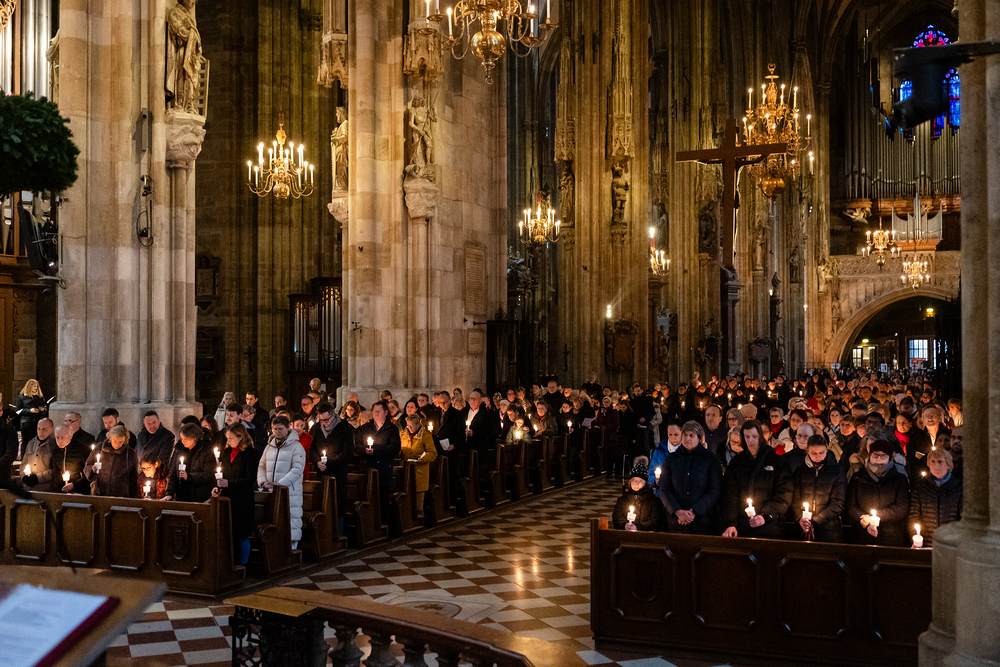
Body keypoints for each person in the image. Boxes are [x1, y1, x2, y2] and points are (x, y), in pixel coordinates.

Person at [721, 420, 793, 538]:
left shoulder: (776, 462)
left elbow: (784, 493)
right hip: (742, 525)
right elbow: (729, 495)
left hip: (770, 525)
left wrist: (766, 515)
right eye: (747, 437)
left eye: (754, 436)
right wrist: (730, 523)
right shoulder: (736, 463)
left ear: (760, 436)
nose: (751, 440)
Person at [658, 422, 722, 534]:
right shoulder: (671, 459)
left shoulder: (710, 459)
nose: (687, 438)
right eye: (685, 435)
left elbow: (714, 490)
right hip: (675, 522)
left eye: (691, 435)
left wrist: (694, 512)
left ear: (699, 438)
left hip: (702, 521)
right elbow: (664, 489)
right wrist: (677, 511)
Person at [844, 439, 910, 547]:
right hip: (862, 535)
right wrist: (863, 519)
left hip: (891, 536)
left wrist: (875, 517)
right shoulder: (858, 477)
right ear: (869, 456)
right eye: (875, 455)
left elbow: (902, 507)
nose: (878, 459)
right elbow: (850, 505)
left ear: (889, 457)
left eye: (883, 456)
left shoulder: (899, 479)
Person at [256, 415, 305, 548]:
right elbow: (262, 465)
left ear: (288, 428)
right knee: (274, 521)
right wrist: (263, 482)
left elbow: (297, 469)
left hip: (289, 491)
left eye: (280, 429)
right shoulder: (269, 446)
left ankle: (292, 550)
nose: (277, 432)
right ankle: (275, 551)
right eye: (274, 429)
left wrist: (280, 483)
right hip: (271, 491)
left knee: (290, 521)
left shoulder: (296, 446)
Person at [213, 423, 257, 565]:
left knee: (241, 535)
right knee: (228, 534)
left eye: (231, 438)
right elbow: (223, 473)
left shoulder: (250, 453)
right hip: (228, 499)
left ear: (240, 437)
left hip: (243, 500)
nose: (229, 441)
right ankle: (230, 565)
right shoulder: (227, 453)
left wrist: (229, 483)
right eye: (227, 438)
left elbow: (250, 479)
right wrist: (217, 487)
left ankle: (242, 566)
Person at [791, 434, 847, 542]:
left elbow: (838, 502)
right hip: (803, 527)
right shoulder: (800, 471)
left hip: (829, 529)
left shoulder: (837, 471)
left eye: (821, 453)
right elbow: (795, 499)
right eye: (814, 453)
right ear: (807, 451)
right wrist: (800, 518)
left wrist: (815, 521)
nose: (818, 456)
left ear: (827, 450)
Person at [310, 402, 355, 533]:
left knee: (337, 506)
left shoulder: (345, 428)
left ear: (333, 415)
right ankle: (323, 535)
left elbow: (347, 452)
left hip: (338, 474)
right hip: (321, 473)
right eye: (321, 420)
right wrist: (317, 462)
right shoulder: (316, 428)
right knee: (322, 505)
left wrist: (329, 463)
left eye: (327, 419)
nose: (324, 423)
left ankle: (338, 535)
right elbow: (312, 449)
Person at [354, 401, 402, 517]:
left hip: (383, 469)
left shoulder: (392, 429)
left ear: (385, 412)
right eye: (374, 411)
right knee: (367, 498)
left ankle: (383, 523)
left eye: (379, 412)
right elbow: (357, 446)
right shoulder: (365, 428)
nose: (376, 414)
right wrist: (364, 450)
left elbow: (395, 447)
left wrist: (376, 450)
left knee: (382, 499)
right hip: (367, 467)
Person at [908, 448, 961, 547]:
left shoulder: (958, 486)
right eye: (932, 462)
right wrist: (916, 538)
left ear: (948, 464)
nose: (936, 466)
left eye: (940, 462)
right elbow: (914, 515)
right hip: (927, 542)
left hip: (950, 544)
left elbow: (961, 517)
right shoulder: (920, 486)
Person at [163, 424, 215, 503]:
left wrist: (189, 476)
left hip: (199, 496)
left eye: (185, 439)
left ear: (194, 438)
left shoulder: (205, 450)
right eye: (181, 438)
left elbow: (208, 474)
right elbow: (173, 473)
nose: (182, 441)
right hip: (182, 495)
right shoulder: (179, 449)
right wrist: (170, 493)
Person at [84, 424, 139, 498]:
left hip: (120, 495)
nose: (117, 444)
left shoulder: (130, 454)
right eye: (115, 441)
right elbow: (87, 465)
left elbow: (133, 478)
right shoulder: (99, 448)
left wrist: (133, 498)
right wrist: (92, 469)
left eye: (120, 442)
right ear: (110, 438)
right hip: (99, 493)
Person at [612, 456, 666, 531]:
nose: (636, 483)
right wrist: (625, 525)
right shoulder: (622, 500)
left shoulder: (654, 501)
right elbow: (617, 518)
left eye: (640, 480)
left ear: (645, 483)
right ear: (629, 482)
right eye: (633, 480)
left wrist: (638, 527)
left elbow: (656, 521)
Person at [400, 413, 437, 516]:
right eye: (408, 425)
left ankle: (419, 517)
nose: (409, 428)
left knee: (418, 501)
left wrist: (421, 459)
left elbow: (433, 453)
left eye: (412, 425)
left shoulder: (425, 435)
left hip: (419, 471)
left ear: (418, 425)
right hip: (406, 471)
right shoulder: (403, 435)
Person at [49, 425, 91, 494]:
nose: (60, 441)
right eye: (57, 437)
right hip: (61, 490)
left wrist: (74, 485)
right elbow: (55, 472)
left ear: (70, 435)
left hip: (80, 491)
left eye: (63, 437)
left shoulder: (82, 449)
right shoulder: (55, 451)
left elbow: (89, 473)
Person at [20, 419, 57, 492]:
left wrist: (37, 478)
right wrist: (24, 476)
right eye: (39, 429)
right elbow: (24, 463)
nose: (41, 432)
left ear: (51, 430)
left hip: (46, 488)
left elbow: (55, 470)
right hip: (28, 488)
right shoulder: (31, 443)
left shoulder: (54, 445)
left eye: (44, 429)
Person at [464, 389, 499, 466]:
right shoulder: (464, 412)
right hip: (464, 447)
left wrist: (474, 433)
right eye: (471, 398)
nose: (472, 401)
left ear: (480, 401)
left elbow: (489, 431)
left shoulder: (486, 414)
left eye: (475, 399)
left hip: (479, 447)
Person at [648, 420, 682, 492]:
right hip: (662, 492)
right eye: (670, 434)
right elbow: (651, 475)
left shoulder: (687, 450)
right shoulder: (659, 451)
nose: (673, 438)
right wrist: (656, 481)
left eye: (676, 434)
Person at [15, 379, 46, 448]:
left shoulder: (40, 397)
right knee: (26, 442)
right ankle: (25, 455)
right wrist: (29, 411)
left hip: (37, 421)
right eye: (34, 386)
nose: (36, 388)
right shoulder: (22, 397)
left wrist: (42, 410)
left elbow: (44, 411)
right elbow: (17, 411)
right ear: (29, 387)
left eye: (37, 386)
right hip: (26, 422)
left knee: (37, 441)